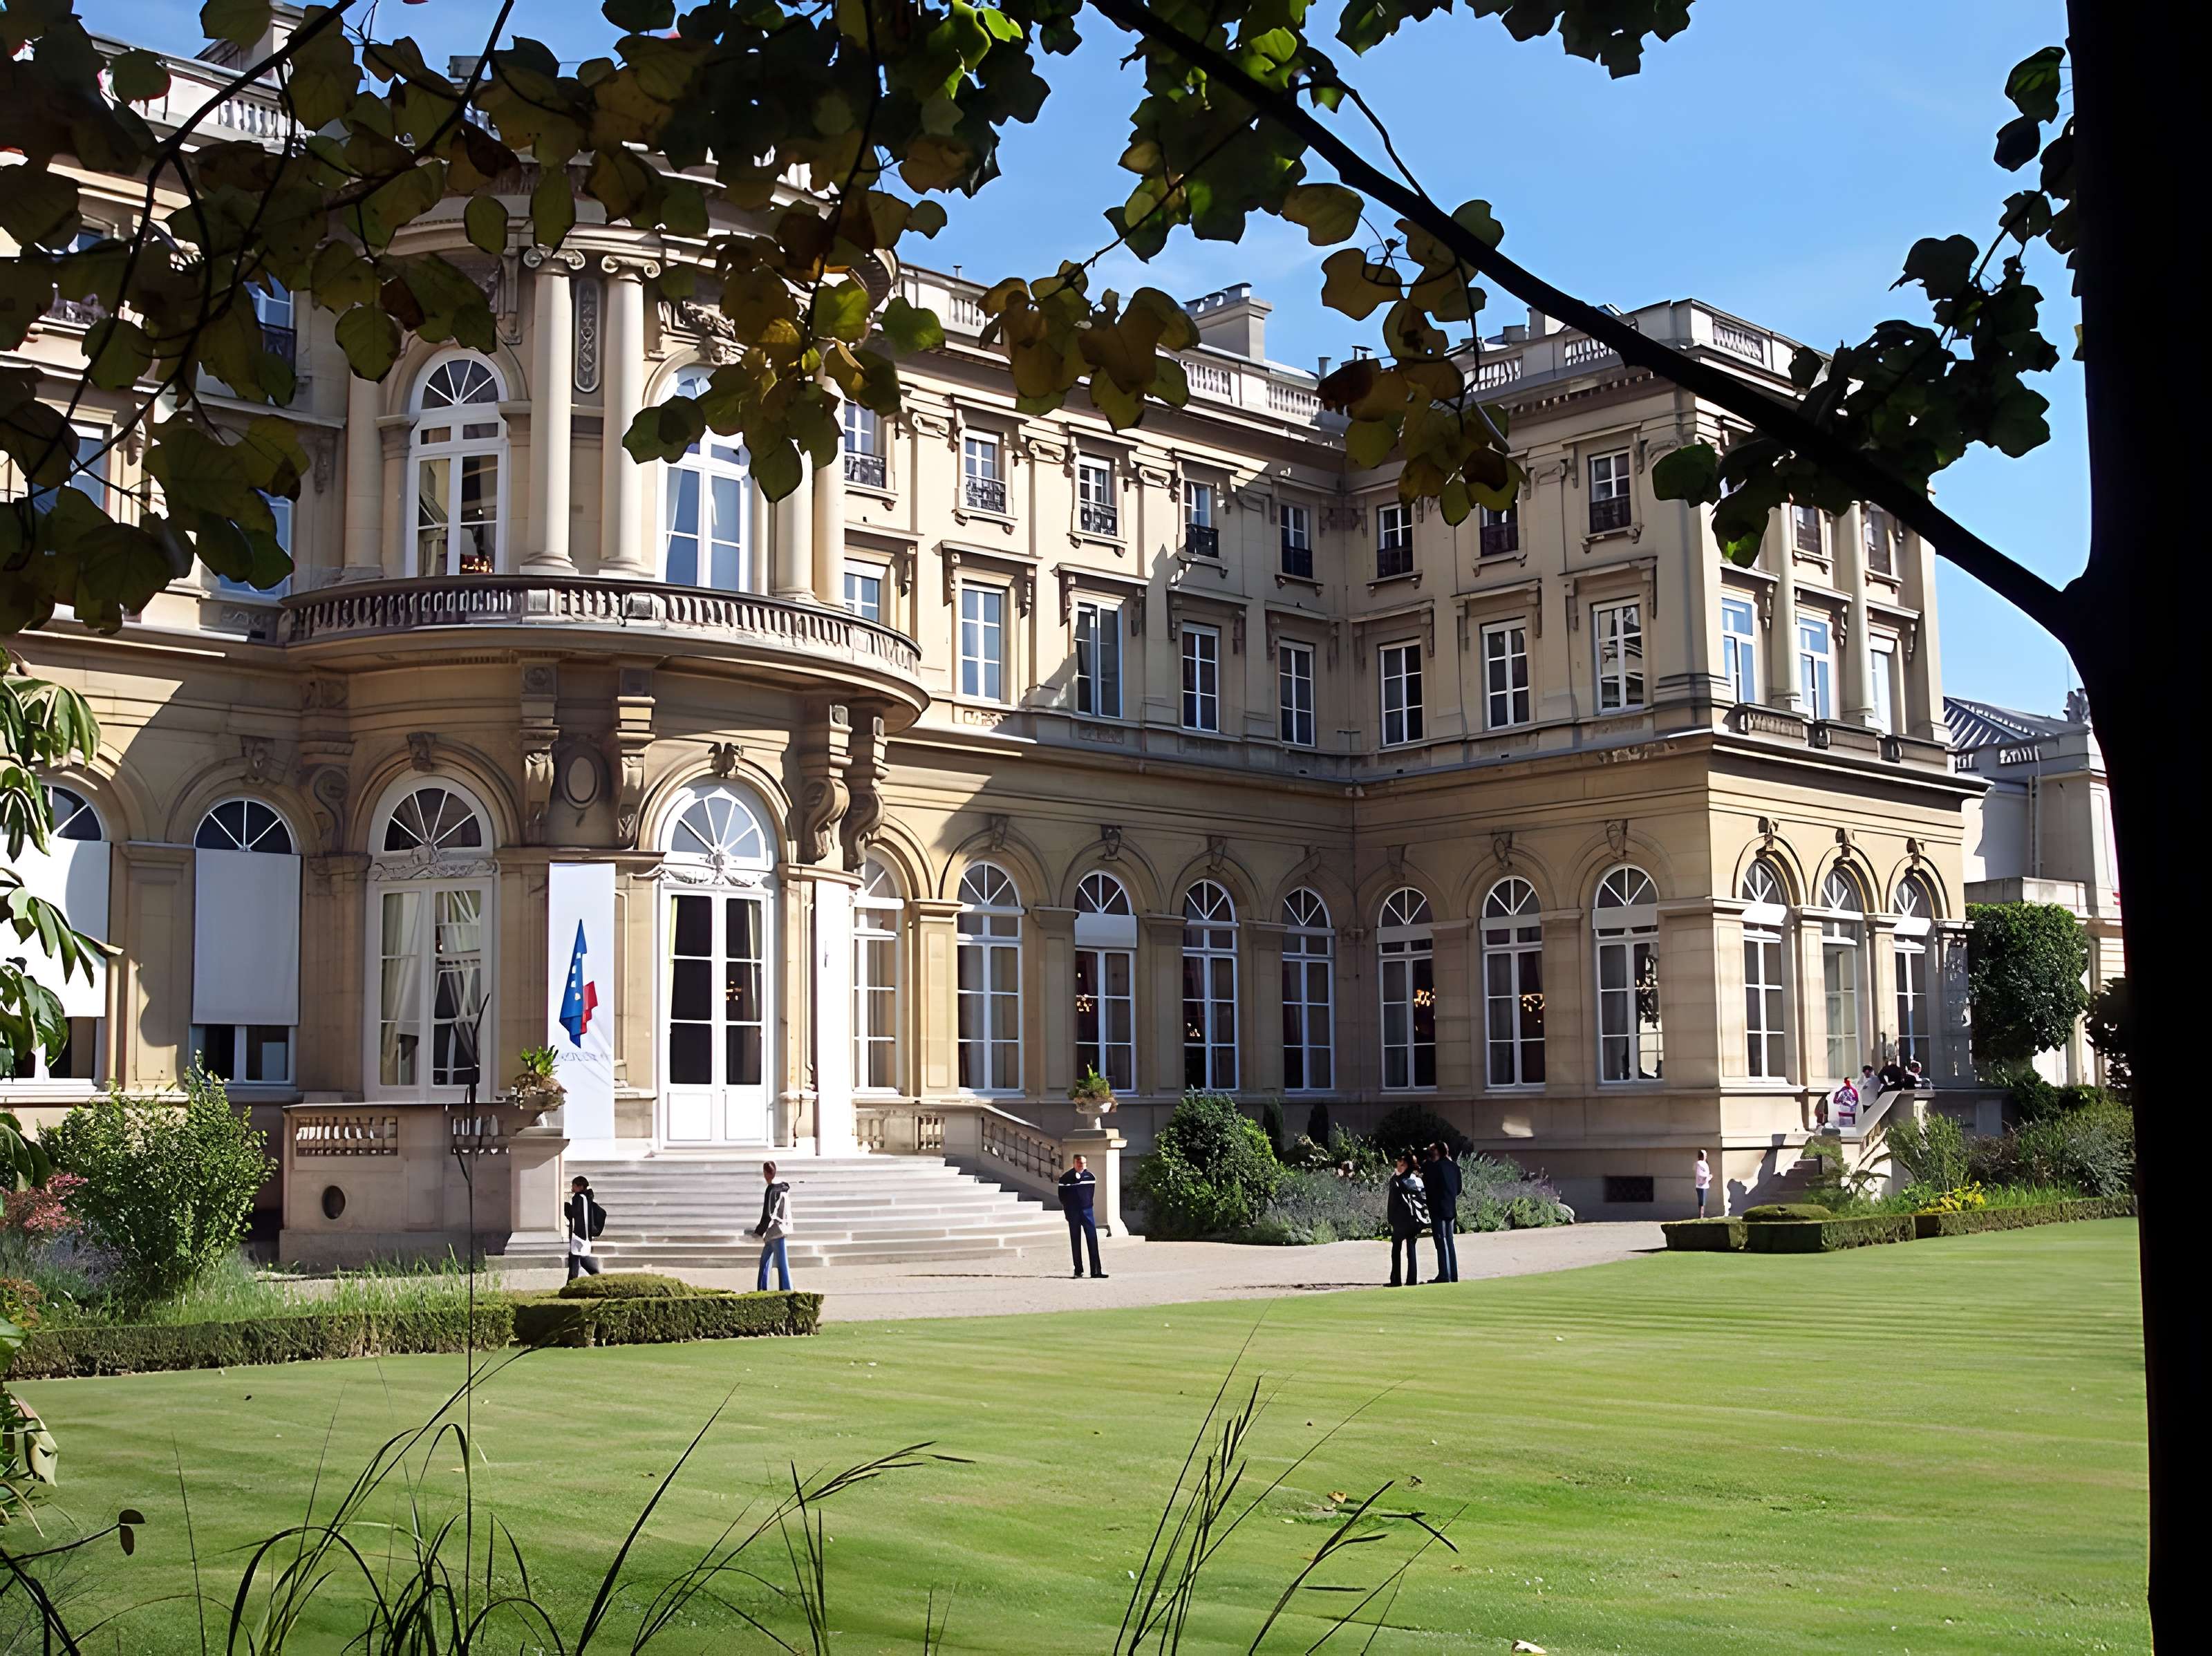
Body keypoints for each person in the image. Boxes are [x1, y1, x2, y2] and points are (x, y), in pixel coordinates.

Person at [1056, 1153, 1107, 1279]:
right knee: (1075, 1240)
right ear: (1074, 1163)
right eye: (1079, 1163)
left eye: (1083, 1163)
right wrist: (1068, 1211)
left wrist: (1088, 1205)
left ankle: (1096, 1271)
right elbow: (1062, 1197)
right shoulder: (1065, 1178)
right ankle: (1078, 1269)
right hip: (1073, 1211)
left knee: (1092, 1239)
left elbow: (1090, 1193)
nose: (1081, 1165)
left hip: (1087, 1211)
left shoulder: (1090, 1177)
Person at [1386, 1154, 1430, 1288]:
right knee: (1411, 1248)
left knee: (1396, 1249)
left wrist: (1391, 1219)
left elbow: (1392, 1203)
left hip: (1400, 1220)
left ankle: (1396, 1279)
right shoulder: (1418, 1181)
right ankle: (1412, 1278)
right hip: (1414, 1219)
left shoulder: (1396, 1181)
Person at [1420, 1142, 1461, 1283]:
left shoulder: (1435, 1167)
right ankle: (1452, 1274)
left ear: (1437, 1151)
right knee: (1449, 1241)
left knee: (1441, 1242)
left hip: (1438, 1208)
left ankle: (1444, 1274)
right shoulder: (1454, 1166)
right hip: (1451, 1207)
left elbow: (1428, 1186)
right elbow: (1459, 1189)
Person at [750, 1160, 792, 1292]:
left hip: (775, 1231)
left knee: (781, 1264)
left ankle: (786, 1290)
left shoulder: (772, 1190)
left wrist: (759, 1231)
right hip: (778, 1230)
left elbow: (768, 1214)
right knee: (765, 1261)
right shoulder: (783, 1187)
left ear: (766, 1174)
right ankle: (763, 1288)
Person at [564, 1174, 605, 1281]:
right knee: (580, 1260)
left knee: (577, 1260)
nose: (572, 1188)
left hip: (579, 1235)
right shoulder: (587, 1198)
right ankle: (595, 1278)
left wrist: (566, 1207)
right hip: (585, 1236)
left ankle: (573, 1283)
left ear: (580, 1187)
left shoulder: (579, 1198)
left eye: (574, 1186)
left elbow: (575, 1214)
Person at [1694, 1149, 1712, 1217]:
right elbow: (1702, 1175)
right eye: (1705, 1156)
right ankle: (1701, 1216)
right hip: (1701, 1185)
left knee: (1702, 1202)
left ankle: (1701, 1215)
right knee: (1702, 1202)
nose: (1706, 1157)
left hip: (1704, 1185)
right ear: (1701, 1156)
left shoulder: (1704, 1163)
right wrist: (1709, 1177)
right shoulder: (1699, 1163)